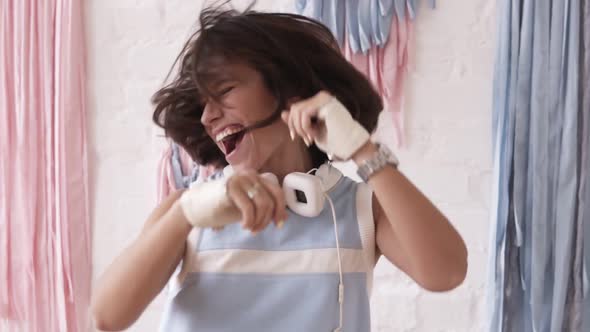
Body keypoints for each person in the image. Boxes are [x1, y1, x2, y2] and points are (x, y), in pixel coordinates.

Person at [90, 6, 468, 332]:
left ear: (288, 89)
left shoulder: (358, 208)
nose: (208, 116)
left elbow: (446, 272)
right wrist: (187, 213)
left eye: (223, 91)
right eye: (203, 103)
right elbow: (106, 317)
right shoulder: (187, 211)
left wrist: (361, 149)